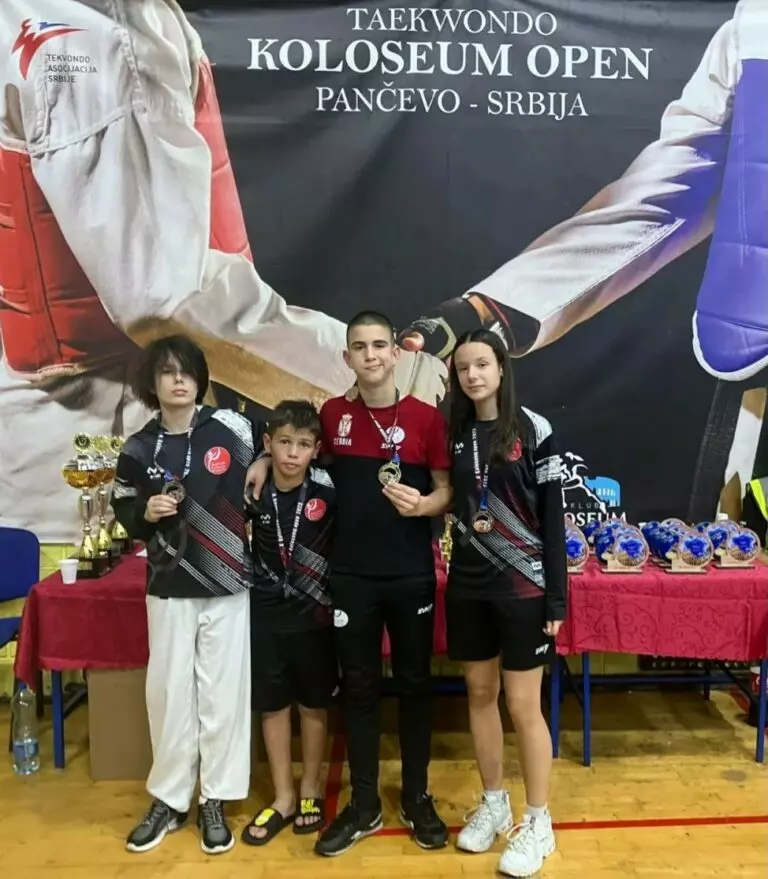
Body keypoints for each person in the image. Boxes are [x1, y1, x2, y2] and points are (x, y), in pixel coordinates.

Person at [0, 0, 447, 542]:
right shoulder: (98, 33)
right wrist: (384, 376)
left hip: (57, 430)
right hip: (100, 433)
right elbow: (164, 295)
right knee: (108, 589)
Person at [399, 0, 767, 521]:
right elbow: (680, 177)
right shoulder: (755, 27)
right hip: (755, 341)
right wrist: (495, 307)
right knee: (737, 548)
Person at [246, 310, 453, 855]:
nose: (370, 355)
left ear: (396, 353)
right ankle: (363, 804)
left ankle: (416, 796)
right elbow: (297, 456)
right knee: (359, 689)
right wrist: (263, 460)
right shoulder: (334, 415)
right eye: (359, 347)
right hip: (351, 577)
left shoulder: (427, 418)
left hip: (410, 574)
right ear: (347, 357)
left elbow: (445, 490)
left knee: (414, 685)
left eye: (379, 345)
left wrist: (423, 506)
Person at [111, 334, 258, 856]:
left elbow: (277, 453)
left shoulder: (235, 428)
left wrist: (264, 466)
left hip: (226, 581)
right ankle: (170, 799)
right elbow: (124, 507)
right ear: (151, 383)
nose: (179, 380)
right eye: (167, 372)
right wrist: (144, 513)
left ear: (200, 379)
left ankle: (214, 798)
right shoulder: (137, 447)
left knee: (222, 695)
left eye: (187, 371)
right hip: (169, 584)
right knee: (170, 695)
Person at [445, 329, 566, 878]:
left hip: (524, 589)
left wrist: (556, 599)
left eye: (482, 364)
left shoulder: (534, 429)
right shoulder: (455, 431)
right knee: (479, 693)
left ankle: (538, 821)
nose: (472, 375)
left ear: (500, 368)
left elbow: (554, 519)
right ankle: (495, 803)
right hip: (468, 586)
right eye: (462, 367)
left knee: (522, 705)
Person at [242, 400, 338, 845]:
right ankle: (283, 796)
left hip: (315, 618)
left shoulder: (329, 489)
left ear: (316, 449)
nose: (292, 453)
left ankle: (310, 788)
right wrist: (258, 463)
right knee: (274, 705)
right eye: (283, 443)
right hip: (265, 616)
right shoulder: (252, 490)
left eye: (302, 444)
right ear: (268, 443)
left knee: (313, 705)